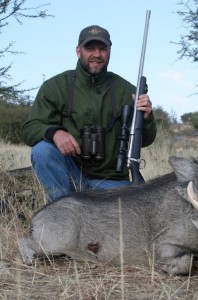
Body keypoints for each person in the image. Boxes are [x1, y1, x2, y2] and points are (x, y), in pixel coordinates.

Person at [22, 25, 157, 202]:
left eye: (102, 49)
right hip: (70, 175)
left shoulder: (128, 91)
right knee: (42, 151)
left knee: (140, 207)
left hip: (111, 181)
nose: (97, 54)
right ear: (79, 51)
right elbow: (29, 129)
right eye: (90, 48)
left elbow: (146, 140)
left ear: (109, 51)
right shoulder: (54, 87)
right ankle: (62, 212)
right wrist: (54, 132)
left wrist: (146, 118)